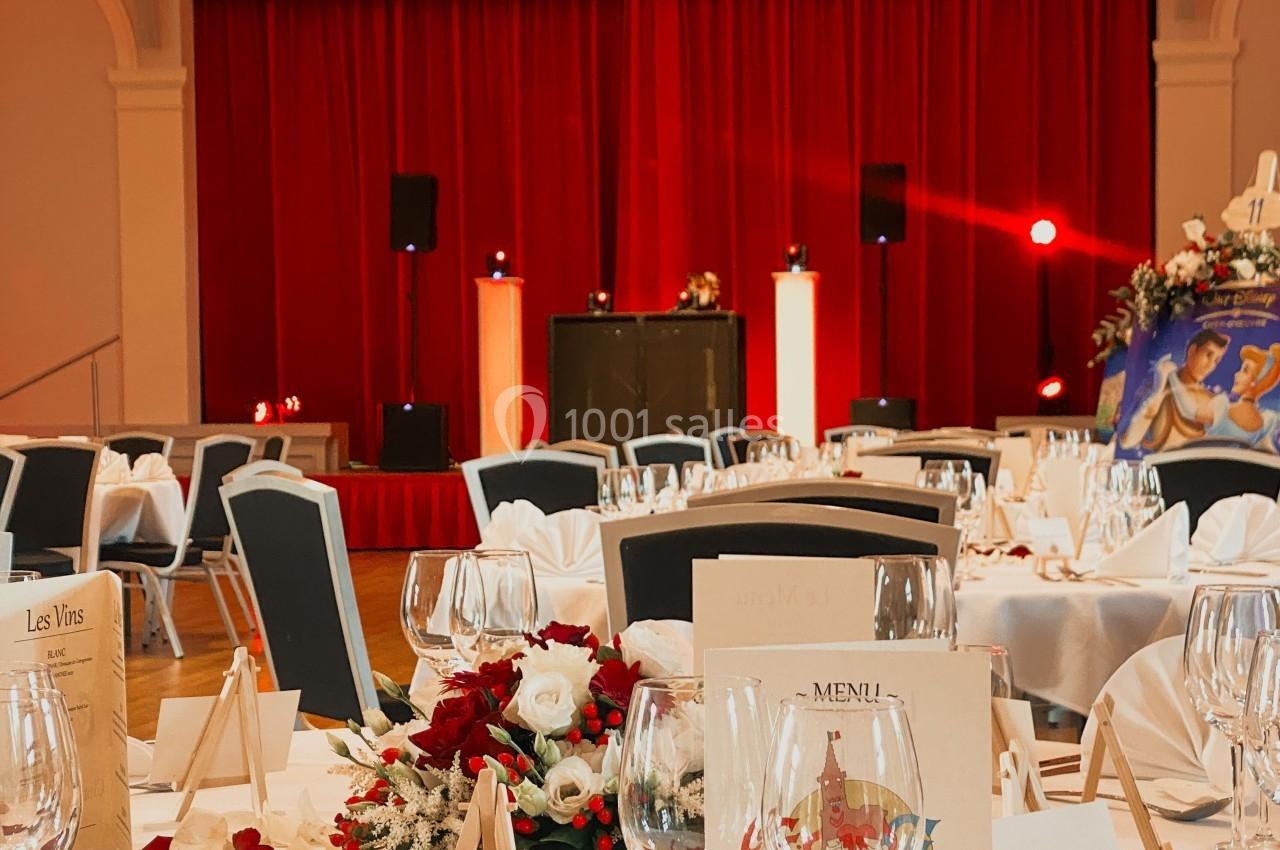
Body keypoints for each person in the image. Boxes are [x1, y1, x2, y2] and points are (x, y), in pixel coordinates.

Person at [1120, 328, 1230, 452]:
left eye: (1216, 360)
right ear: (1193, 350)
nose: (1210, 365)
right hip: (1159, 467)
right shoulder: (1155, 388)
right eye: (1208, 355)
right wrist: (1157, 393)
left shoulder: (1211, 401)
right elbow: (1127, 442)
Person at [1182, 343, 1280, 451]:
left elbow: (1187, 411)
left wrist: (1170, 377)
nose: (1236, 374)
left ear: (1254, 382)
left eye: (1245, 370)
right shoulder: (1266, 421)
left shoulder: (1221, 406)